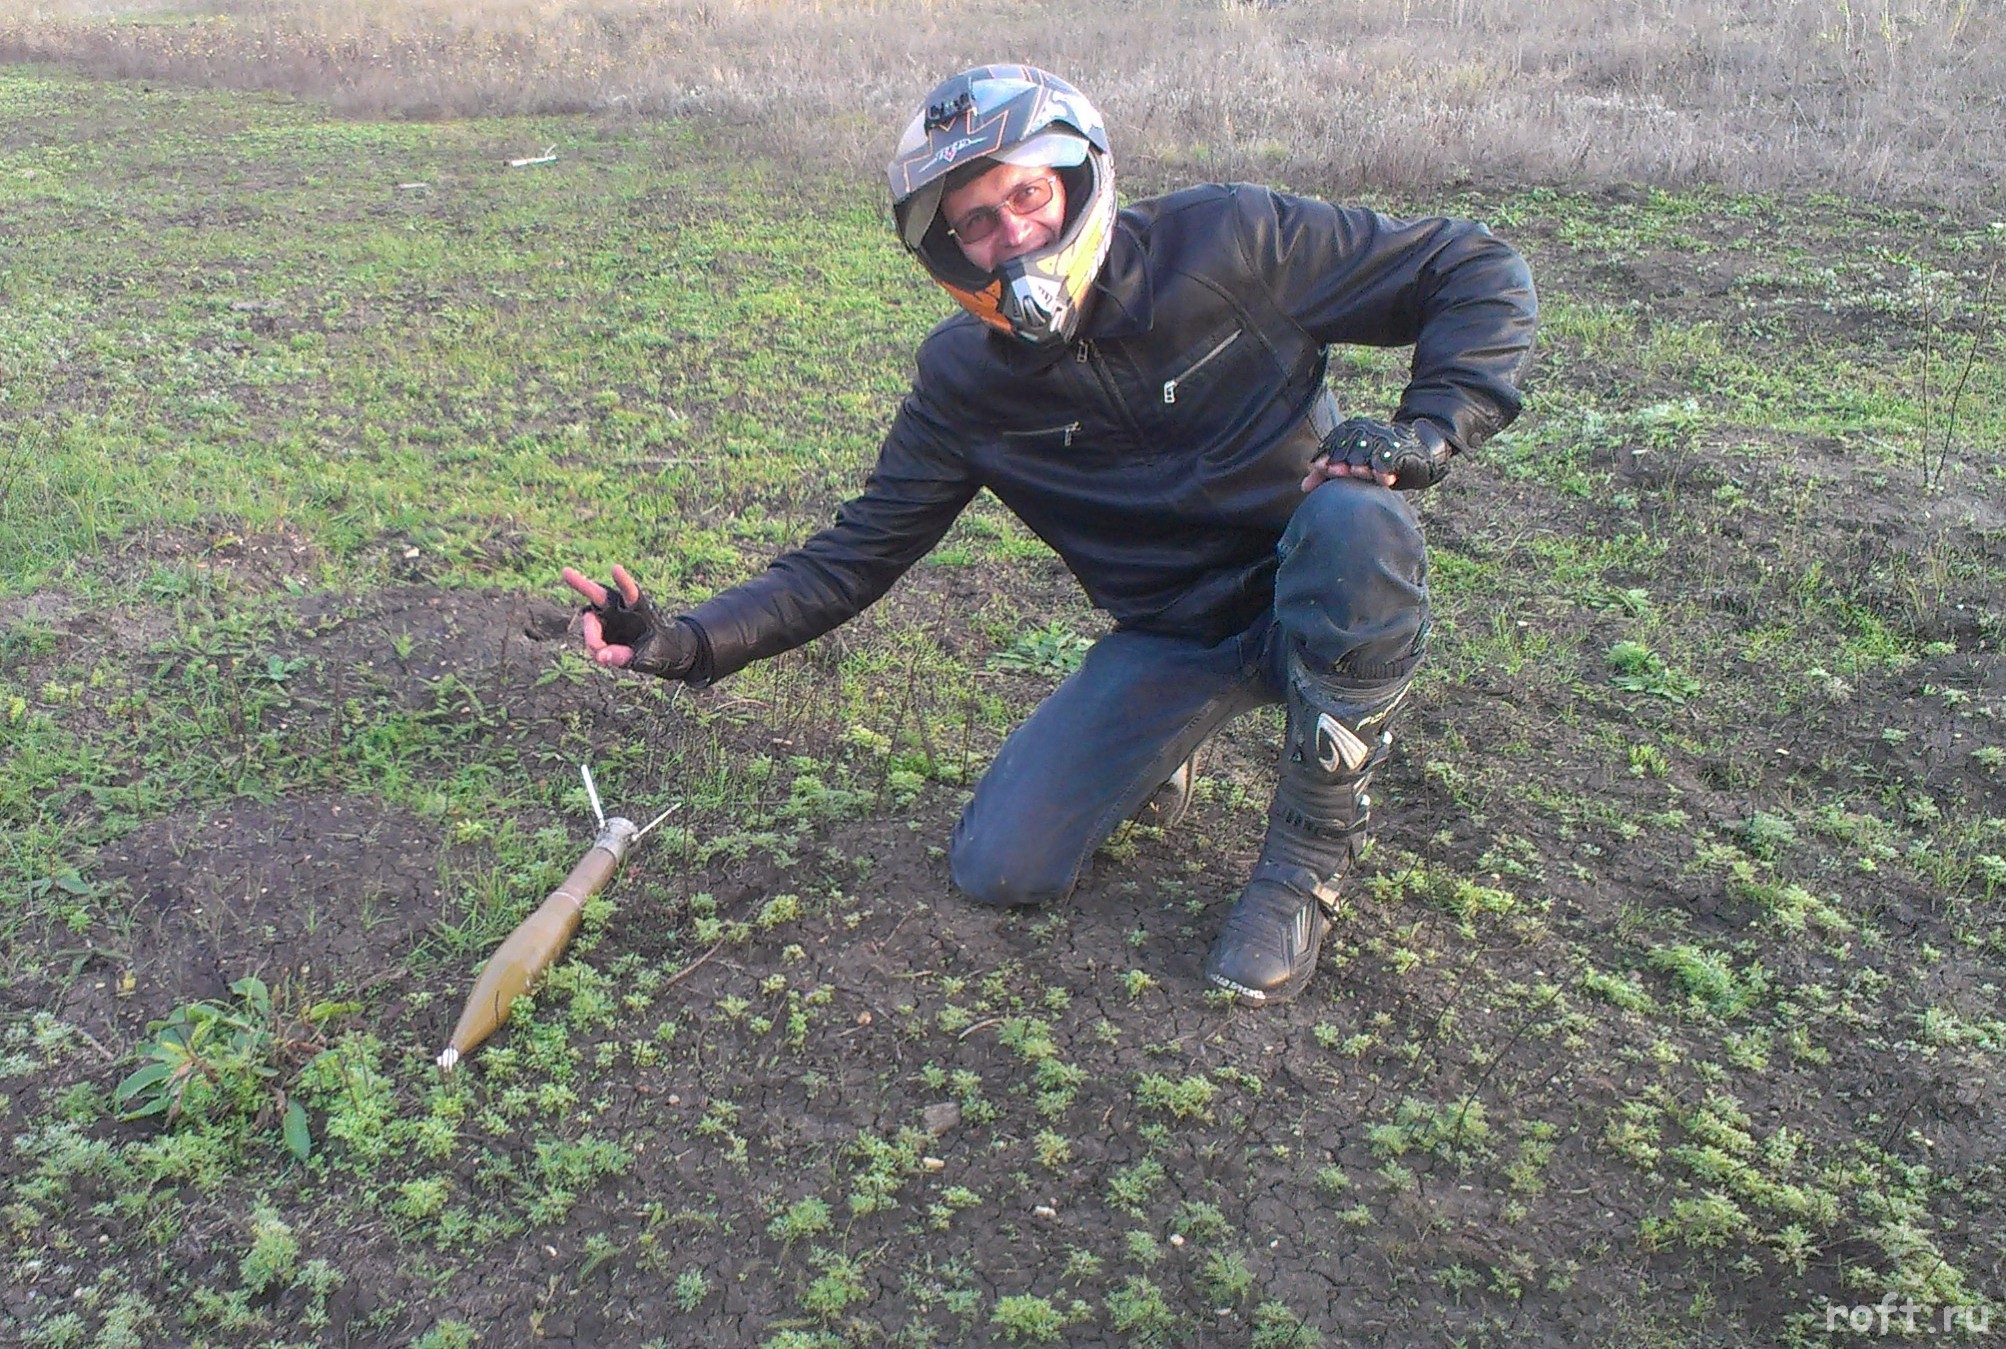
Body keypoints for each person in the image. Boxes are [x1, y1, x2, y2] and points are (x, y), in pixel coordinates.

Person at [562, 64, 1536, 1006]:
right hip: (1174, 635)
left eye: (1026, 194)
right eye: (975, 222)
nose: (1013, 233)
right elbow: (853, 555)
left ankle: (1304, 863)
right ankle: (1170, 738)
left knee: (1357, 516)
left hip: (1313, 584)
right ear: (948, 249)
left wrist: (1426, 428)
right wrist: (685, 641)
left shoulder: (1229, 242)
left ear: (1077, 176)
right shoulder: (966, 382)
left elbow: (1470, 265)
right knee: (1001, 864)